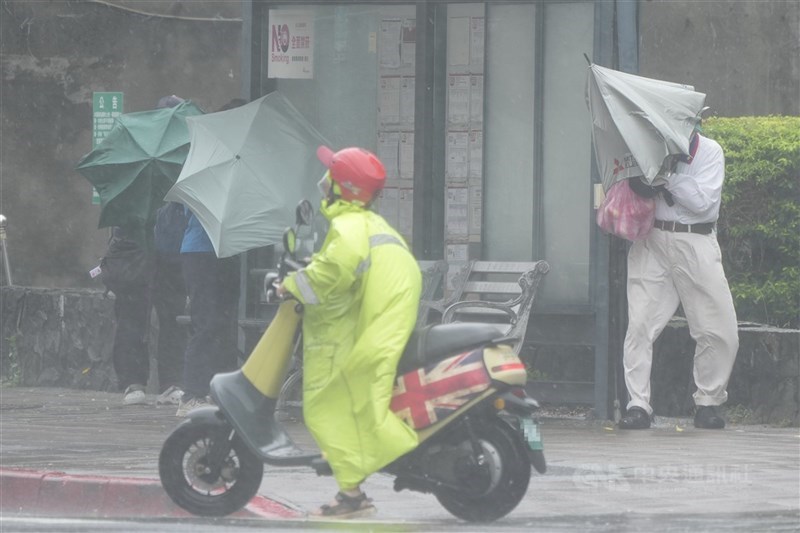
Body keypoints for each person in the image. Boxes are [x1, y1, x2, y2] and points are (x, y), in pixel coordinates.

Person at [276, 146, 422, 519]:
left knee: (328, 406)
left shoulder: (348, 227)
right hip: (379, 319)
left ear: (345, 188)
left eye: (331, 176)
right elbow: (342, 267)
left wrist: (289, 286)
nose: (324, 182)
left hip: (366, 326)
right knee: (349, 401)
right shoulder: (366, 224)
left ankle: (353, 494)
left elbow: (332, 273)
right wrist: (310, 267)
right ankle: (352, 482)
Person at [619, 128, 739, 430]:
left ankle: (708, 402)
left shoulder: (710, 150)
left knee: (719, 329)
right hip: (653, 239)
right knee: (640, 324)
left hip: (695, 241)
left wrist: (666, 179)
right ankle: (638, 404)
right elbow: (637, 187)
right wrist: (649, 178)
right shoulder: (649, 147)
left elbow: (703, 203)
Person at [175, 98, 246, 416]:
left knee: (224, 323)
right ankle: (192, 393)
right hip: (202, 251)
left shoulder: (232, 157)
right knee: (207, 323)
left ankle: (220, 390)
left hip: (226, 250)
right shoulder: (207, 158)